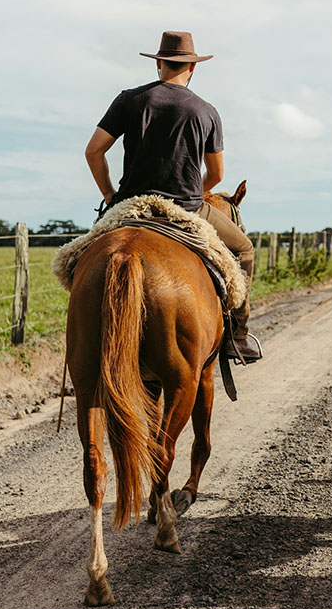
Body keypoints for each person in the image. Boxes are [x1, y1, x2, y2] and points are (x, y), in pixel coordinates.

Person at [84, 30, 260, 363]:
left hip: (129, 205)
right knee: (244, 249)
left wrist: (110, 195)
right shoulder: (206, 111)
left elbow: (94, 152)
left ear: (159, 64)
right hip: (187, 208)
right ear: (192, 68)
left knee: (75, 261)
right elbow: (218, 175)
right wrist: (197, 191)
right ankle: (238, 336)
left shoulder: (128, 99)